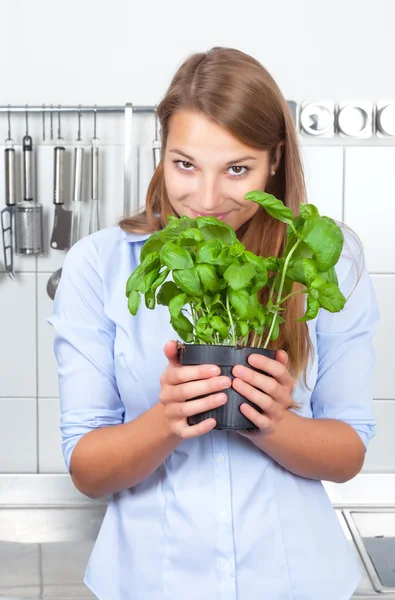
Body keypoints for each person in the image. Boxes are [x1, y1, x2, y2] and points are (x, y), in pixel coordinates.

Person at [47, 47, 380, 600]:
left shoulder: (325, 261)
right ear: (162, 154)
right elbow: (86, 469)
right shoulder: (97, 263)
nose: (204, 199)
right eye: (184, 165)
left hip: (296, 579)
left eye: (236, 169)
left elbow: (348, 453)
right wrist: (166, 419)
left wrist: (273, 422)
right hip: (149, 580)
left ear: (274, 159)